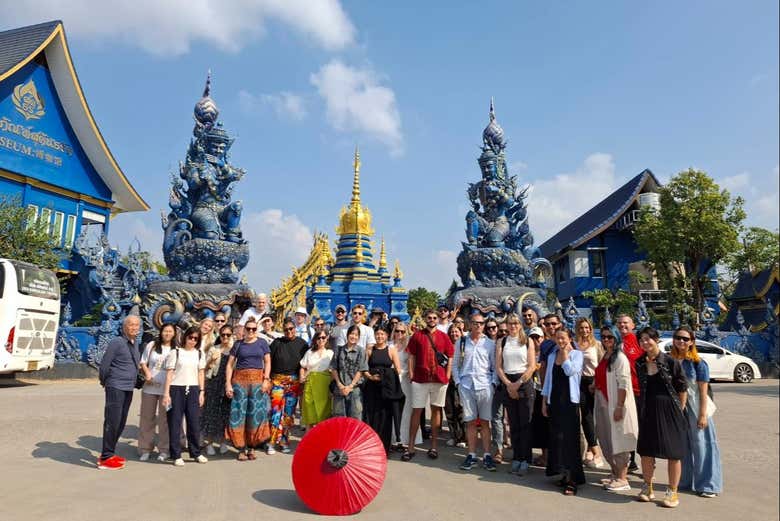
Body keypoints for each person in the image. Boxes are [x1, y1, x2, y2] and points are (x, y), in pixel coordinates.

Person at [635, 326, 688, 508]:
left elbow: (682, 388)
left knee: (673, 452)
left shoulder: (671, 362)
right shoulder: (639, 362)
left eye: (648, 338)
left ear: (656, 339)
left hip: (670, 410)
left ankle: (672, 491)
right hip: (648, 409)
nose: (645, 342)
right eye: (641, 340)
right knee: (646, 450)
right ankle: (647, 486)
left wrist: (679, 410)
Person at [671, 326, 722, 498]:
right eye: (678, 338)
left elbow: (703, 392)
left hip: (697, 408)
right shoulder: (672, 361)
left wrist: (702, 415)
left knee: (703, 446)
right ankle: (684, 481)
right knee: (682, 446)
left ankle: (708, 485)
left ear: (692, 342)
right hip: (679, 409)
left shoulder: (698, 363)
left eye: (686, 339)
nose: (681, 341)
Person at [403, 309, 454, 461]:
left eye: (434, 317)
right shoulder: (417, 335)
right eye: (429, 317)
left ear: (438, 319)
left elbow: (450, 356)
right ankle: (411, 446)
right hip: (420, 378)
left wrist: (448, 374)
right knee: (416, 411)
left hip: (439, 378)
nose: (432, 320)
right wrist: (411, 374)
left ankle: (433, 446)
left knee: (436, 411)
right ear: (425, 319)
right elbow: (411, 355)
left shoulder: (444, 337)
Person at [593, 325, 638, 492]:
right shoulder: (607, 355)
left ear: (617, 338)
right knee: (606, 438)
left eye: (610, 337)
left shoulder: (620, 358)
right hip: (603, 400)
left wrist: (619, 406)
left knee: (619, 439)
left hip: (616, 403)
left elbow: (624, 384)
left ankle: (623, 478)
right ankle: (614, 473)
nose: (606, 340)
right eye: (604, 337)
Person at [542, 328, 585, 495]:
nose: (560, 341)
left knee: (570, 441)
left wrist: (566, 354)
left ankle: (573, 479)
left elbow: (570, 371)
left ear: (569, 338)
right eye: (557, 338)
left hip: (569, 402)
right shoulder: (552, 356)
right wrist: (544, 402)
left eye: (563, 338)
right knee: (558, 440)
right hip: (555, 401)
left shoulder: (577, 355)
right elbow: (547, 381)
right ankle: (563, 473)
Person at [452, 313, 496, 471]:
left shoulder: (490, 344)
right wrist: (458, 382)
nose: (478, 325)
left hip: (484, 385)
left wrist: (493, 383)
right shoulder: (462, 342)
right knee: (470, 422)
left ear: (484, 325)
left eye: (481, 323)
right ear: (469, 324)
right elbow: (455, 363)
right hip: (466, 385)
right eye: (475, 322)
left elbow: (494, 366)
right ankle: (471, 454)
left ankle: (487, 455)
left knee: (485, 422)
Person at [97, 315, 141, 470]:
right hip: (116, 386)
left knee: (121, 422)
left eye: (136, 325)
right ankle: (105, 457)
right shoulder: (116, 342)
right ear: (124, 327)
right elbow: (104, 365)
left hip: (128, 387)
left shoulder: (135, 343)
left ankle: (109, 453)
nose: (134, 327)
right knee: (112, 421)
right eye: (131, 325)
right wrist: (105, 381)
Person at [225, 318, 271, 461]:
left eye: (253, 329)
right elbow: (229, 365)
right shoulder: (238, 344)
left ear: (256, 330)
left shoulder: (262, 343)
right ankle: (241, 447)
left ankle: (251, 447)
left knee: (255, 414)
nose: (251, 331)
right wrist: (228, 383)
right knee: (239, 414)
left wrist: (266, 379)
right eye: (248, 329)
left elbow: (268, 361)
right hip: (239, 381)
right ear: (244, 330)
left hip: (258, 381)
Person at [495, 313, 536, 476]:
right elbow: (498, 366)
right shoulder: (502, 341)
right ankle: (517, 458)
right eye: (510, 324)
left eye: (516, 323)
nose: (513, 326)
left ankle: (526, 459)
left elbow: (532, 366)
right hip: (507, 380)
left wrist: (518, 384)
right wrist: (508, 385)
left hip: (524, 381)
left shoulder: (528, 341)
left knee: (525, 423)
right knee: (514, 423)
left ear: (520, 325)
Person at [161, 326, 208, 467]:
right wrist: (166, 393)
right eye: (190, 337)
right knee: (175, 423)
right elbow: (169, 374)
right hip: (176, 389)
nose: (192, 341)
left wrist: (202, 391)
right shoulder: (175, 353)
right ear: (185, 337)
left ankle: (196, 452)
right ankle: (176, 454)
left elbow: (201, 373)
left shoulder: (199, 353)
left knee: (194, 422)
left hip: (193, 389)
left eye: (196, 339)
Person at [267, 318, 308, 454]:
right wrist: (267, 380)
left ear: (295, 328)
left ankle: (284, 441)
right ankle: (272, 442)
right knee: (275, 412)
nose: (289, 331)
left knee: (288, 414)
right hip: (277, 381)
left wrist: (303, 383)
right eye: (286, 330)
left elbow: (305, 365)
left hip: (294, 382)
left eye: (291, 328)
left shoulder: (302, 344)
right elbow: (268, 362)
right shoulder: (276, 343)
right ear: (283, 330)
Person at [138, 323, 176, 462]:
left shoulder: (176, 349)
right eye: (165, 331)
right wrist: (147, 373)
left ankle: (164, 449)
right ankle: (145, 448)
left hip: (167, 389)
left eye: (170, 331)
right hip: (150, 387)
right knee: (147, 418)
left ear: (174, 334)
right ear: (161, 332)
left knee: (164, 420)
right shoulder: (152, 345)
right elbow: (143, 362)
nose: (167, 333)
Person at [364, 328, 404, 454]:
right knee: (372, 416)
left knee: (385, 417)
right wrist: (371, 376)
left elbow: (398, 370)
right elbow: (363, 368)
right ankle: (371, 447)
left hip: (386, 388)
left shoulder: (391, 350)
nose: (379, 336)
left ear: (386, 336)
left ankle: (384, 448)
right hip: (372, 387)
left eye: (382, 334)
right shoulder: (370, 350)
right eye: (377, 334)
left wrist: (385, 373)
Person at [531, 314, 562, 467]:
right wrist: (544, 391)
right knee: (545, 425)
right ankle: (548, 457)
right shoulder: (545, 345)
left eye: (554, 324)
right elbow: (542, 370)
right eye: (548, 324)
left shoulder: (568, 342)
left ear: (560, 324)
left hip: (564, 391)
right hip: (547, 390)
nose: (551, 327)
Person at [575, 317, 604, 468]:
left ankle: (591, 451)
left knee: (594, 418)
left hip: (593, 382)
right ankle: (594, 450)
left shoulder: (597, 345)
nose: (584, 330)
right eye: (582, 328)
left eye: (587, 327)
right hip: (579, 382)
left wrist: (596, 382)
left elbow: (601, 365)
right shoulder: (575, 345)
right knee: (585, 417)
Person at [201, 324, 234, 456]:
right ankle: (209, 442)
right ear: (219, 336)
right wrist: (211, 361)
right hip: (214, 382)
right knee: (211, 413)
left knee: (224, 413)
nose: (225, 337)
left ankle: (222, 441)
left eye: (228, 335)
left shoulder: (233, 350)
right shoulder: (214, 349)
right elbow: (204, 367)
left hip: (227, 384)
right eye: (223, 334)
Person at [616, 313, 643, 473]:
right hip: (624, 391)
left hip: (639, 391)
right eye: (619, 323)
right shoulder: (616, 343)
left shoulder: (639, 341)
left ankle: (647, 462)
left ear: (633, 325)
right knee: (627, 427)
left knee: (642, 428)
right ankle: (630, 460)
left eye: (625, 323)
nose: (622, 325)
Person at [391, 322, 422, 450]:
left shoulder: (409, 346)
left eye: (402, 331)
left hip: (405, 380)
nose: (399, 334)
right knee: (393, 411)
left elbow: (412, 363)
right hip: (392, 380)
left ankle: (405, 439)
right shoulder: (389, 345)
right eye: (397, 331)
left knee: (406, 410)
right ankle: (393, 438)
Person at [330, 325, 369, 419]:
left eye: (356, 335)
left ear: (359, 338)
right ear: (347, 335)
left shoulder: (361, 351)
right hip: (340, 388)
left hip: (354, 389)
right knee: (339, 417)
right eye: (352, 334)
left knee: (355, 417)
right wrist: (340, 385)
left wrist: (350, 386)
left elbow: (361, 370)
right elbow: (333, 368)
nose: (353, 337)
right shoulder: (339, 350)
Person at [299, 331, 334, 428]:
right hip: (310, 384)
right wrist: (302, 377)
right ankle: (309, 439)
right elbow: (303, 366)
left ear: (326, 339)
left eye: (323, 337)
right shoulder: (309, 352)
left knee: (324, 413)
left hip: (324, 386)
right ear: (315, 340)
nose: (321, 340)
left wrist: (332, 387)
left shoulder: (330, 353)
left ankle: (323, 440)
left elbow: (333, 371)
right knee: (310, 413)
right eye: (319, 338)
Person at [483, 316, 505, 462]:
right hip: (490, 384)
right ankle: (498, 448)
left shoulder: (505, 343)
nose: (492, 330)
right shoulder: (485, 344)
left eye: (494, 328)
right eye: (489, 328)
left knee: (506, 418)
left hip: (507, 382)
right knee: (495, 417)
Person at [444, 323, 467, 448]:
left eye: (456, 331)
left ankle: (463, 437)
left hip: (462, 382)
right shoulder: (446, 346)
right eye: (452, 332)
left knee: (460, 409)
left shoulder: (465, 345)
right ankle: (454, 436)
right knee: (449, 409)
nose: (454, 334)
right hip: (448, 381)